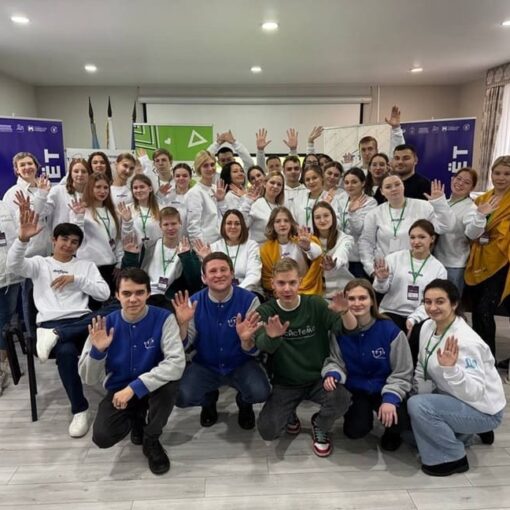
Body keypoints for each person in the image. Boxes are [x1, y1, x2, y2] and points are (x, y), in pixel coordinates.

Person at [6, 212, 110, 437]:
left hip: (81, 321)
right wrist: (22, 240)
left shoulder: (86, 266)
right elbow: (13, 265)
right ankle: (80, 410)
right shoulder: (39, 263)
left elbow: (104, 293)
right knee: (65, 352)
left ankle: (59, 333)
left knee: (114, 311)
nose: (68, 245)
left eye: (74, 242)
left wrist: (76, 279)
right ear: (54, 240)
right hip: (50, 321)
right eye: (64, 239)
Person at [79, 268, 185, 475]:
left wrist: (134, 388)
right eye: (126, 293)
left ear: (148, 293)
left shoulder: (164, 318)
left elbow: (176, 362)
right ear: (117, 295)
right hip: (119, 389)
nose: (133, 299)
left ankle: (151, 438)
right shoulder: (104, 324)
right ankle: (136, 418)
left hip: (153, 386)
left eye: (139, 292)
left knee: (171, 385)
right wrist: (98, 352)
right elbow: (88, 378)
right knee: (102, 436)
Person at [255, 258, 354, 457]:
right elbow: (262, 346)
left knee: (342, 399)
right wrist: (272, 337)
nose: (287, 288)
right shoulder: (266, 311)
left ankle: (320, 424)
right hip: (285, 383)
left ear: (300, 282)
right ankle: (289, 415)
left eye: (292, 282)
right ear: (273, 284)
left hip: (319, 379)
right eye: (281, 283)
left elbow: (347, 329)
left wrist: (345, 312)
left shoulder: (315, 304)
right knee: (268, 430)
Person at [408, 279, 506, 476]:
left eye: (440, 301)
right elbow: (422, 364)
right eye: (428, 302)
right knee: (408, 431)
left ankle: (452, 458)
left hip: (482, 408)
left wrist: (451, 370)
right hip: (452, 395)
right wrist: (416, 389)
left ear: (454, 304)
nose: (432, 307)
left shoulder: (467, 341)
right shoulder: (427, 326)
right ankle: (464, 434)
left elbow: (476, 391)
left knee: (418, 406)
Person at [173, 252, 271, 430]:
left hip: (240, 363)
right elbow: (184, 345)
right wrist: (183, 325)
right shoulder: (193, 303)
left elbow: (255, 349)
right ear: (204, 278)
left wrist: (246, 340)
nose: (219, 275)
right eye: (213, 271)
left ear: (232, 274)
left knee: (261, 393)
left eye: (223, 269)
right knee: (181, 396)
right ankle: (208, 400)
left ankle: (244, 402)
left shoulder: (250, 300)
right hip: (205, 364)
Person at [322, 279, 413, 451]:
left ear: (372, 301)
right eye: (351, 299)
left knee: (399, 421)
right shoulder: (338, 330)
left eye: (362, 298)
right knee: (354, 431)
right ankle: (362, 417)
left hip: (385, 387)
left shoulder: (390, 330)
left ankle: (392, 433)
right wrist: (333, 373)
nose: (357, 303)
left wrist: (390, 399)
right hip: (356, 389)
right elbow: (335, 360)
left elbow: (402, 371)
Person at [372, 219, 447, 358]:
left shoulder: (439, 269)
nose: (416, 241)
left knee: (418, 335)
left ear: (432, 239)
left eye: (421, 237)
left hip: (422, 315)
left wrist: (413, 318)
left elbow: (433, 302)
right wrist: (381, 279)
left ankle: (413, 369)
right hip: (391, 310)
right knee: (389, 333)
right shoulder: (394, 259)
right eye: (412, 237)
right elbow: (380, 289)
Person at [359, 174, 454, 278]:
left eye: (397, 184)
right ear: (382, 191)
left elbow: (445, 227)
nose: (394, 189)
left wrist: (439, 204)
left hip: (417, 267)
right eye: (388, 187)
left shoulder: (424, 206)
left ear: (403, 186)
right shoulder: (374, 213)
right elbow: (366, 243)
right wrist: (371, 269)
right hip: (385, 270)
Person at [464, 155, 510, 358]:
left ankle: (488, 358)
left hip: (503, 261)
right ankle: (479, 355)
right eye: (497, 173)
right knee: (477, 309)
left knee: (485, 309)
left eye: (507, 174)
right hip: (480, 258)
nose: (501, 178)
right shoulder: (481, 199)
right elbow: (472, 230)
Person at [121, 207, 202, 308]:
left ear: (180, 224)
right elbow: (127, 276)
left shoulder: (187, 251)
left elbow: (195, 283)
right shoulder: (149, 247)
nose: (170, 228)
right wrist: (130, 256)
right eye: (166, 224)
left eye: (173, 224)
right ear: (160, 226)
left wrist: (186, 257)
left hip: (170, 299)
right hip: (145, 296)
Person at [69, 173, 122, 301]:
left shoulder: (113, 211)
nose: (102, 191)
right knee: (92, 306)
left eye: (106, 187)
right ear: (90, 188)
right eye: (98, 187)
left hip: (110, 267)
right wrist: (79, 217)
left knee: (109, 306)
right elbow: (76, 239)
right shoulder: (80, 210)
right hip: (89, 267)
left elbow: (118, 239)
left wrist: (120, 262)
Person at [434, 167, 478, 294]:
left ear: (472, 188)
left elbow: (472, 233)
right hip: (435, 259)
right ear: (452, 179)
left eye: (467, 182)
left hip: (454, 264)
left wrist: (480, 218)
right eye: (458, 179)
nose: (460, 183)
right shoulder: (444, 202)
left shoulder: (471, 208)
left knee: (451, 300)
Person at [260, 206, 323, 296]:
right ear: (272, 225)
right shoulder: (266, 249)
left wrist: (307, 247)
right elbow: (267, 279)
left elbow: (318, 254)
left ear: (291, 223)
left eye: (286, 221)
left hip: (305, 289)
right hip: (280, 292)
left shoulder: (301, 240)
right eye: (278, 221)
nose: (282, 224)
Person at [337, 168, 378, 278]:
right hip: (342, 253)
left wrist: (352, 213)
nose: (350, 185)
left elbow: (360, 229)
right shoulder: (341, 199)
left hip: (359, 256)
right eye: (346, 182)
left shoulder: (370, 202)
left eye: (354, 182)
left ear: (363, 183)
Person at [0, 199, 23, 395]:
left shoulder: (6, 207)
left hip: (9, 277)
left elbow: (19, 237)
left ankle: (3, 367)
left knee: (4, 323)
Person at [209, 210, 262, 293]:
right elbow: (208, 276)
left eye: (237, 223)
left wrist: (236, 292)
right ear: (223, 226)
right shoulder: (214, 247)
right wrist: (206, 258)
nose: (233, 226)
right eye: (229, 223)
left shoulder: (252, 245)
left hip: (248, 291)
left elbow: (254, 275)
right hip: (221, 291)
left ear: (242, 226)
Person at [342, 106, 404, 173]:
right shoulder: (356, 172)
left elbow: (397, 151)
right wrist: (347, 169)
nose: (367, 153)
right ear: (359, 153)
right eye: (363, 150)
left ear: (377, 150)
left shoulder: (385, 170)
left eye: (370, 149)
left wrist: (396, 129)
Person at [311, 201, 354, 297]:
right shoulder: (311, 239)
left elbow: (342, 253)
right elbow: (310, 253)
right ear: (313, 221)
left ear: (333, 217)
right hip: (318, 292)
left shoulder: (345, 238)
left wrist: (334, 263)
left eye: (326, 216)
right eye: (317, 217)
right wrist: (307, 247)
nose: (322, 220)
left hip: (342, 290)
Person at [185, 150, 227, 243]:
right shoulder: (195, 193)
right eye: (205, 166)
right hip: (206, 245)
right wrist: (201, 248)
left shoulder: (217, 188)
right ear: (199, 168)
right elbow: (193, 226)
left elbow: (226, 216)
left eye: (212, 164)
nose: (210, 168)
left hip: (222, 242)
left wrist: (221, 201)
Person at [45, 158, 92, 231]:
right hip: (60, 235)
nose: (80, 174)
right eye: (76, 171)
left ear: (89, 174)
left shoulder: (92, 195)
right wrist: (41, 194)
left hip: (84, 236)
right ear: (70, 173)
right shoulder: (58, 190)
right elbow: (43, 212)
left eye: (84, 171)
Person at [240, 171, 285, 245]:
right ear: (264, 184)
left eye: (279, 184)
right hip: (258, 248)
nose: (275, 186)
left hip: (276, 248)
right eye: (272, 183)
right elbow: (242, 224)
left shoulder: (280, 207)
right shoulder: (255, 204)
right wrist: (248, 202)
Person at [290, 165, 339, 231]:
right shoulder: (298, 199)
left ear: (322, 178)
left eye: (314, 178)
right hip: (302, 235)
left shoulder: (330, 198)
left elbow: (337, 223)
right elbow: (292, 220)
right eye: (307, 179)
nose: (311, 182)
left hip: (322, 236)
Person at [118, 174, 161, 250]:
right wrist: (127, 221)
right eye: (135, 188)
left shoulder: (161, 209)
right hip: (135, 252)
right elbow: (125, 237)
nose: (138, 190)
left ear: (150, 188)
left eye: (142, 187)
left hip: (156, 252)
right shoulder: (127, 209)